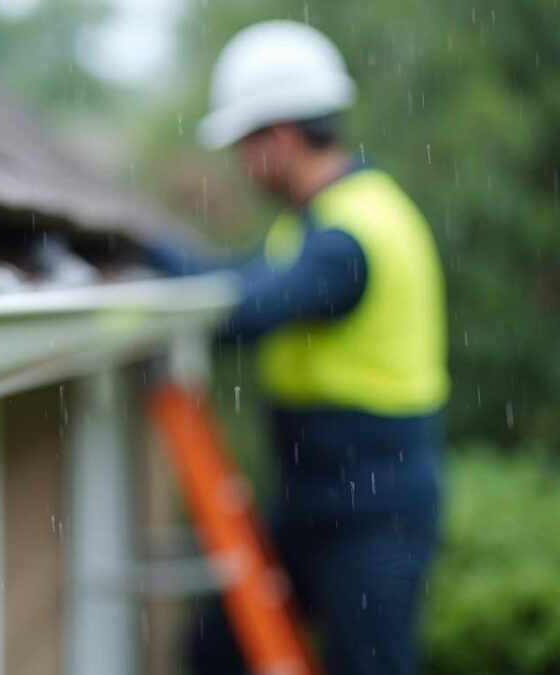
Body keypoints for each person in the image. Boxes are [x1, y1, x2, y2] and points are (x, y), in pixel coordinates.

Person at [155, 21, 449, 675]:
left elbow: (244, 310)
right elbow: (229, 278)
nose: (240, 162)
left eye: (243, 144)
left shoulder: (351, 235)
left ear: (281, 137)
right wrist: (137, 247)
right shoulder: (312, 225)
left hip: (374, 512)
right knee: (216, 648)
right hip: (319, 502)